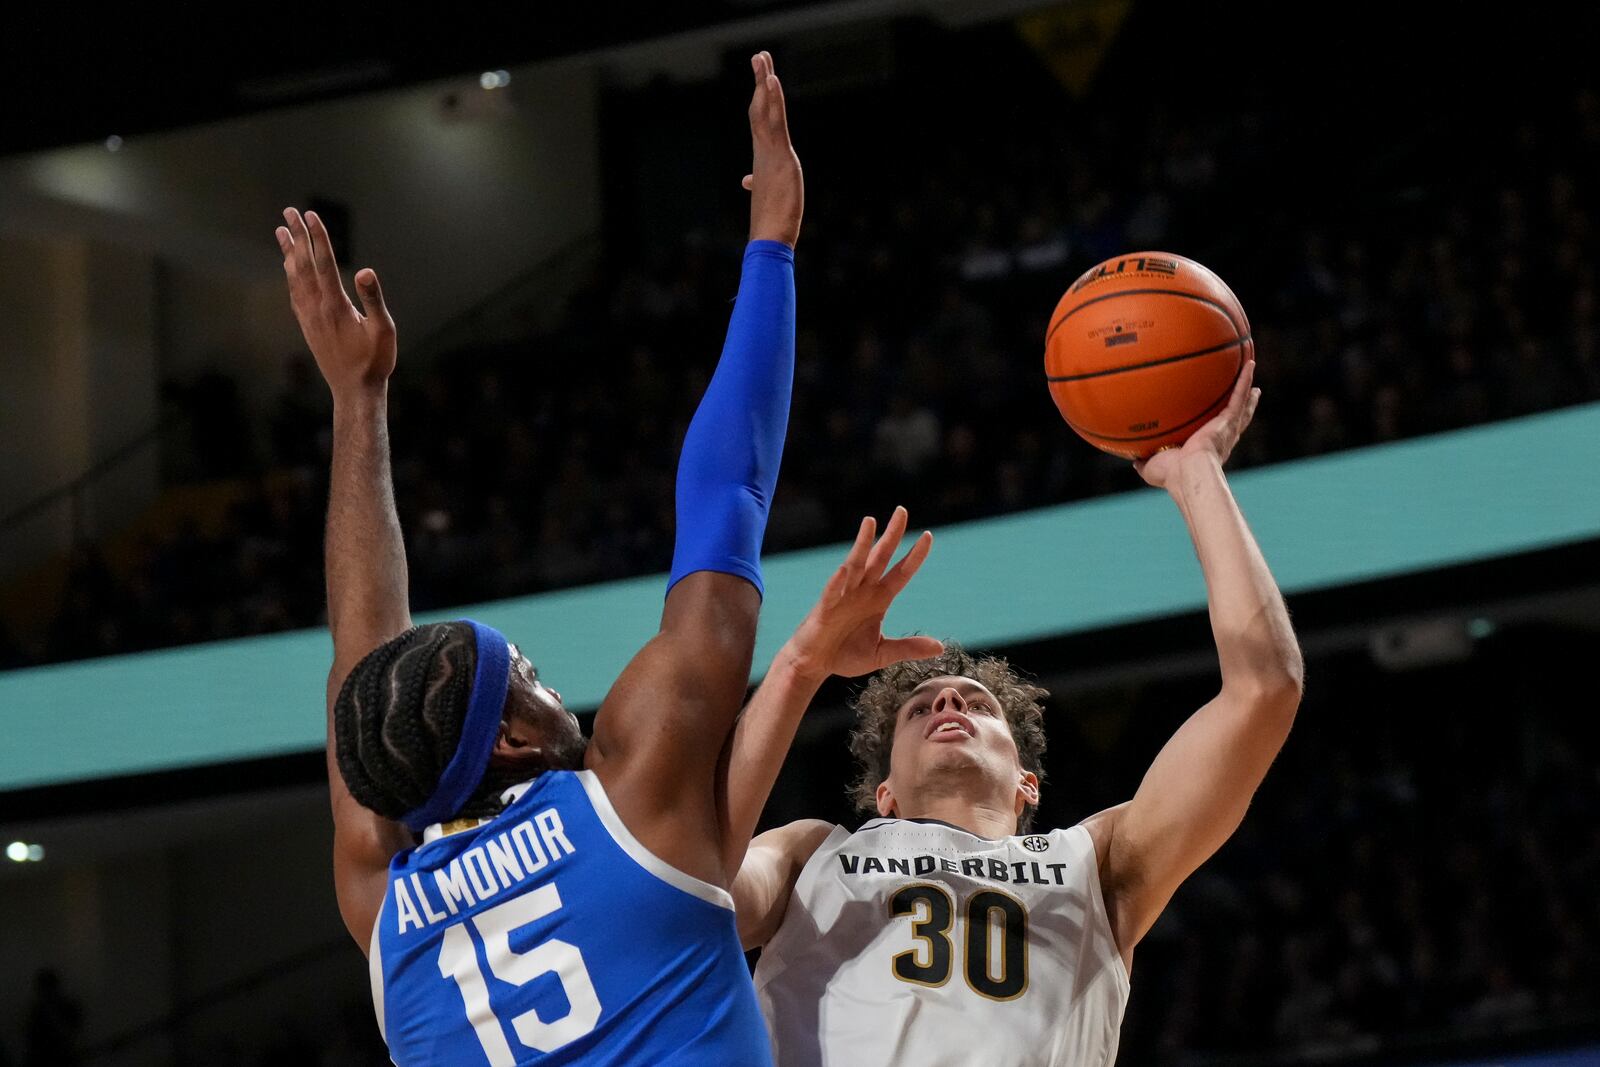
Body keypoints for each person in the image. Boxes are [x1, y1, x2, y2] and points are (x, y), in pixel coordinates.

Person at [276, 53, 811, 1066]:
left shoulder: (386, 908)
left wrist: (356, 403)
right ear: (515, 741)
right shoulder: (630, 795)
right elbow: (724, 497)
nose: (549, 678)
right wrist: (770, 249)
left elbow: (363, 668)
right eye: (525, 675)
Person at [725, 362, 1305, 1066]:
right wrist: (798, 667)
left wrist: (1197, 473)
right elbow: (690, 884)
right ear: (885, 796)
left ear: (1028, 781)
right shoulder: (812, 854)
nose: (947, 700)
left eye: (976, 703)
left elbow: (1263, 689)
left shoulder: (1096, 863)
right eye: (922, 708)